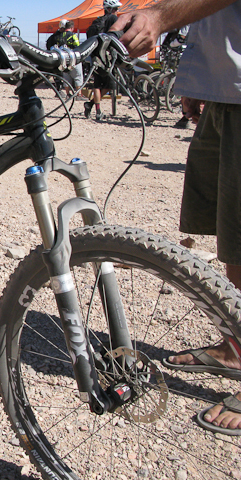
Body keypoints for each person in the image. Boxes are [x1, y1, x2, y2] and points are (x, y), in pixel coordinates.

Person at [112, 0, 241, 436]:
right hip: (224, 88)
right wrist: (197, 77)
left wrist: (160, 16)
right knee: (233, 235)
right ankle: (237, 348)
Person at [84, 0, 122, 121]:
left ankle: (94, 108)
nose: (117, 11)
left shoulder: (97, 21)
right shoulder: (114, 19)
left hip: (96, 55)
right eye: (115, 9)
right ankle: (94, 108)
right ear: (109, 9)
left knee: (97, 84)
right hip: (108, 56)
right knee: (110, 85)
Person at [46, 19, 83, 99]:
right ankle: (79, 95)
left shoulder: (56, 36)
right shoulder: (72, 35)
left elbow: (50, 46)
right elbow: (78, 46)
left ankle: (67, 94)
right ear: (71, 27)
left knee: (66, 77)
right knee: (77, 76)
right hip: (72, 58)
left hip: (62, 60)